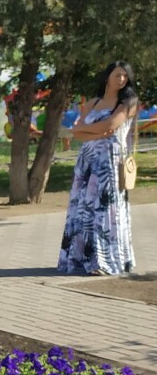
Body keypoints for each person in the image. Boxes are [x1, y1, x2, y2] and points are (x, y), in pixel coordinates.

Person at [59, 61, 140, 275]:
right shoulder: (93, 103)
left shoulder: (128, 102)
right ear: (107, 77)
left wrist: (88, 130)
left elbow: (111, 126)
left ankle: (103, 262)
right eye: (118, 75)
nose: (122, 79)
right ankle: (80, 259)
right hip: (87, 161)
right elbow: (77, 133)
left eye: (125, 76)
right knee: (83, 210)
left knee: (105, 209)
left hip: (110, 162)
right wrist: (94, 132)